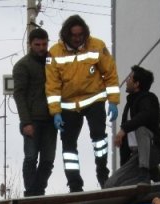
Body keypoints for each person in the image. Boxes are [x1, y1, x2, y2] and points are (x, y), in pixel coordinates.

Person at [45, 15, 120, 192]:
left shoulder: (97, 46)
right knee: (69, 147)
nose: (78, 38)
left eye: (80, 34)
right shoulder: (55, 52)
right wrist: (55, 112)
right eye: (74, 35)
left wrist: (113, 101)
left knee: (99, 138)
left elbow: (110, 74)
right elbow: (52, 85)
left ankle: (102, 173)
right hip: (68, 106)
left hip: (94, 100)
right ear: (67, 35)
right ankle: (74, 184)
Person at [104, 65, 160, 188]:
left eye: (130, 78)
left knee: (141, 129)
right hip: (137, 155)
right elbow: (125, 145)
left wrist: (123, 129)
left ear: (136, 84)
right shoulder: (129, 106)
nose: (126, 80)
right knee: (111, 184)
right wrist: (125, 167)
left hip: (155, 148)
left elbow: (146, 116)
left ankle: (144, 174)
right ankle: (155, 174)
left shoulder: (148, 98)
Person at [12, 28, 57, 197]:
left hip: (51, 119)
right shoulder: (22, 66)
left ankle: (38, 191)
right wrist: (26, 122)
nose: (41, 48)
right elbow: (19, 95)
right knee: (31, 158)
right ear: (30, 44)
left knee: (48, 160)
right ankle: (31, 193)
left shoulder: (52, 63)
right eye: (37, 44)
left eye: (44, 44)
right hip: (32, 120)